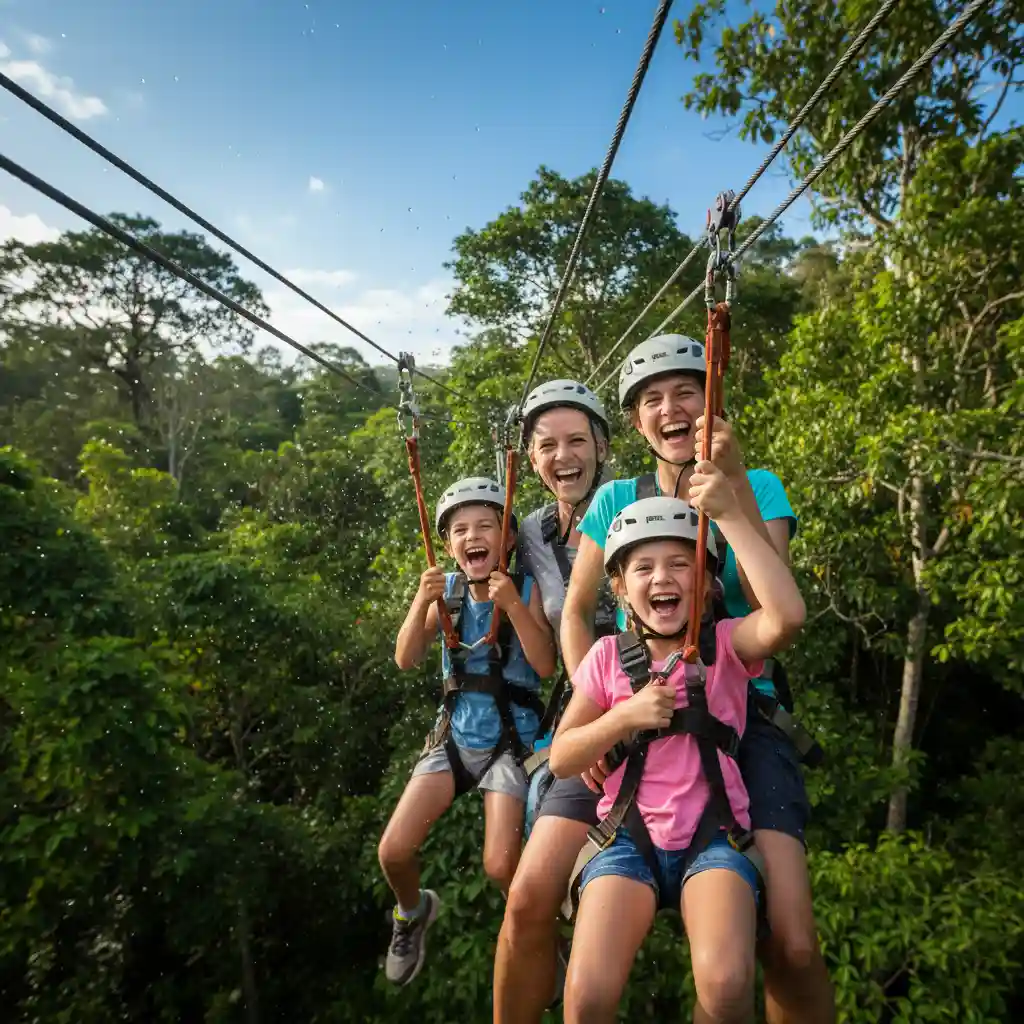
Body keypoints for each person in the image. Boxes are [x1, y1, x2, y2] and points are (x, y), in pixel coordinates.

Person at [561, 333, 835, 1023]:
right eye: (653, 400)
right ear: (635, 421)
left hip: (740, 701)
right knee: (537, 896)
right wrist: (607, 714)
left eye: (687, 391)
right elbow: (577, 612)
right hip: (630, 707)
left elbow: (778, 606)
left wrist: (734, 495)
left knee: (791, 944)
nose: (672, 409)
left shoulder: (756, 486)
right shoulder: (616, 501)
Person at [551, 481, 807, 1023]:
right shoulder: (607, 657)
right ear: (620, 589)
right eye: (643, 568)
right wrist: (622, 717)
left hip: (715, 835)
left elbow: (786, 617)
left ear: (708, 584)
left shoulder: (728, 646)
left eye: (679, 565)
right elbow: (562, 758)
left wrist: (729, 516)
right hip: (626, 838)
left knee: (726, 985)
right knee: (587, 998)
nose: (662, 578)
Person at [377, 476, 556, 987]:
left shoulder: (525, 589)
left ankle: (542, 939)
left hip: (510, 741)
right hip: (456, 737)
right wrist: (421, 601)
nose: (472, 536)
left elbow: (545, 666)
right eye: (460, 530)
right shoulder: (448, 595)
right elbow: (406, 657)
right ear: (449, 544)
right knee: (393, 851)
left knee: (500, 866)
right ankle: (412, 911)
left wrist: (515, 606)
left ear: (508, 539)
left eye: (485, 526)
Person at [492, 381, 618, 1021]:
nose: (563, 456)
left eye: (576, 441)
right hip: (583, 709)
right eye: (547, 446)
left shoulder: (640, 507)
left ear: (602, 446)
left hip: (654, 701)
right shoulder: (532, 535)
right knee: (522, 902)